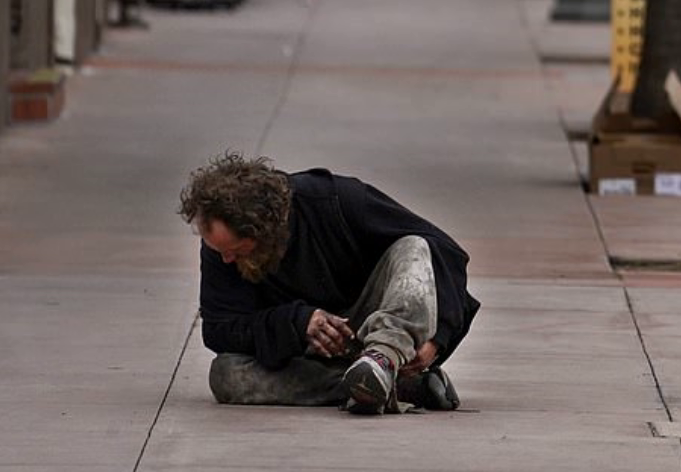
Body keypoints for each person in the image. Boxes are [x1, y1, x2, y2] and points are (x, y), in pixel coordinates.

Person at [178, 153, 479, 414]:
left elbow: (447, 254)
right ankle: (396, 386)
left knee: (415, 246)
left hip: (378, 325)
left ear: (266, 231)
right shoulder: (221, 249)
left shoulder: (335, 199)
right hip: (307, 355)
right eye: (220, 251)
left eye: (237, 250)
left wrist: (438, 339)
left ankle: (383, 358)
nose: (226, 260)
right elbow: (220, 329)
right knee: (227, 375)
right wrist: (299, 323)